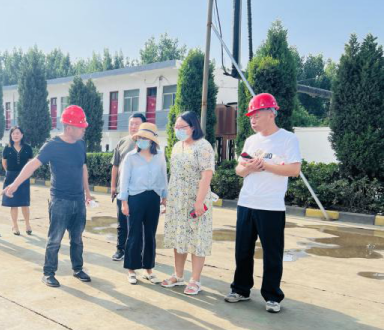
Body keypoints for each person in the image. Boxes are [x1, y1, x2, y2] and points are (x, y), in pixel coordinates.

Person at [224, 93, 301, 313]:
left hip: (271, 206)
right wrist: (249, 168)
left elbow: (294, 169)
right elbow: (239, 170)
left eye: (256, 115)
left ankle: (272, 296)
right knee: (242, 251)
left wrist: (265, 165)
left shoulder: (287, 139)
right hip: (246, 202)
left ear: (271, 114)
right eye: (251, 116)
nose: (252, 120)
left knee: (272, 253)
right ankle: (241, 289)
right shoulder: (251, 140)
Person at [2, 105, 93, 288]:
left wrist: (87, 192)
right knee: (55, 239)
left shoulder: (80, 144)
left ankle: (77, 269)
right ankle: (48, 272)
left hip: (78, 200)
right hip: (60, 200)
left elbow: (82, 167)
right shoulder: (52, 145)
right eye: (81, 126)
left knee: (77, 239)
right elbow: (32, 165)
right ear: (69, 127)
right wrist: (14, 184)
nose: (84, 129)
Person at [161, 111, 215, 295]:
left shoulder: (203, 146)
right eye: (175, 127)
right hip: (177, 200)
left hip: (195, 200)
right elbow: (174, 174)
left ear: (193, 127)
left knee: (197, 239)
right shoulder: (177, 146)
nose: (178, 130)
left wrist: (199, 202)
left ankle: (195, 280)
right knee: (179, 237)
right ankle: (178, 275)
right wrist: (168, 199)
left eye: (181, 127)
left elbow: (206, 175)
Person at [118, 123, 167, 285]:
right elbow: (124, 180)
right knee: (134, 234)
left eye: (145, 138)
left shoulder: (160, 155)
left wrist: (164, 197)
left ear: (152, 140)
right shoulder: (131, 157)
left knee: (150, 235)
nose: (141, 140)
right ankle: (131, 269)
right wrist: (124, 202)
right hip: (135, 198)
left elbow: (163, 176)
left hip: (153, 197)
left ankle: (148, 269)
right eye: (139, 138)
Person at [110, 113, 147, 262]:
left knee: (140, 223)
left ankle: (139, 251)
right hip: (123, 190)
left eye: (137, 124)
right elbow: (115, 165)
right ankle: (120, 249)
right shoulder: (122, 142)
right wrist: (113, 186)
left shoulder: (148, 143)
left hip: (141, 191)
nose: (133, 126)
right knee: (122, 222)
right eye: (131, 123)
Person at [1, 126, 34, 235]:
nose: (15, 135)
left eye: (17, 133)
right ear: (11, 135)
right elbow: (4, 163)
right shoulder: (7, 148)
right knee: (13, 203)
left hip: (24, 177)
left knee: (25, 203)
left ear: (22, 135)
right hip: (10, 177)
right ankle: (15, 226)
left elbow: (30, 163)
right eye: (13, 133)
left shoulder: (28, 148)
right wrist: (9, 173)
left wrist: (25, 174)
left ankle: (27, 224)